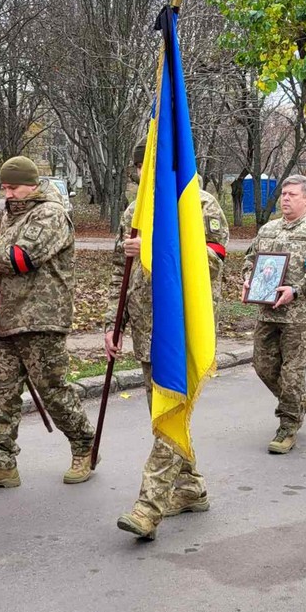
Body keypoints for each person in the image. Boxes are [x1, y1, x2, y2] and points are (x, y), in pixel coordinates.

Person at [109, 140, 229, 540]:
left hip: (182, 333)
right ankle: (191, 487)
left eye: (154, 164)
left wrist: (156, 248)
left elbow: (211, 261)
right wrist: (114, 325)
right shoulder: (133, 211)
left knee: (170, 415)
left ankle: (148, 506)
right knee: (165, 417)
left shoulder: (198, 203)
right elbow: (119, 273)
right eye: (143, 166)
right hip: (146, 330)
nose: (147, 173)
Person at [0, 156, 96, 491]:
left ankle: (83, 445)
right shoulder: (13, 213)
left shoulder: (50, 214)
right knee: (1, 394)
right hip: (9, 315)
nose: (8, 193)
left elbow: (22, 258)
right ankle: (2, 463)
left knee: (53, 390)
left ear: (32, 184)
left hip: (41, 319)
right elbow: (9, 263)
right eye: (4, 187)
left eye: (13, 187)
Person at [244, 175, 306, 454]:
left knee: (292, 372)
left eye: (292, 194)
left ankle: (288, 427)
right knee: (262, 366)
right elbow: (250, 259)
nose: (285, 198)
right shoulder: (268, 229)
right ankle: (297, 401)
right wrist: (249, 279)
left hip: (298, 315)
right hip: (267, 312)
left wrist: (297, 290)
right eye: (283, 193)